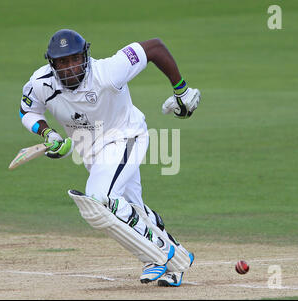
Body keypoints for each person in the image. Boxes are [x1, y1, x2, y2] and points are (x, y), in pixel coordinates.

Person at [19, 29, 201, 286]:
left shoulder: (108, 71)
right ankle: (178, 260)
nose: (70, 67)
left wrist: (181, 90)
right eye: (62, 62)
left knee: (98, 201)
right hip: (92, 153)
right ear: (52, 63)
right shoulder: (41, 83)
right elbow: (27, 111)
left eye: (74, 59)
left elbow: (155, 48)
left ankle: (156, 253)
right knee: (132, 208)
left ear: (85, 56)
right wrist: (48, 134)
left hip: (126, 137)